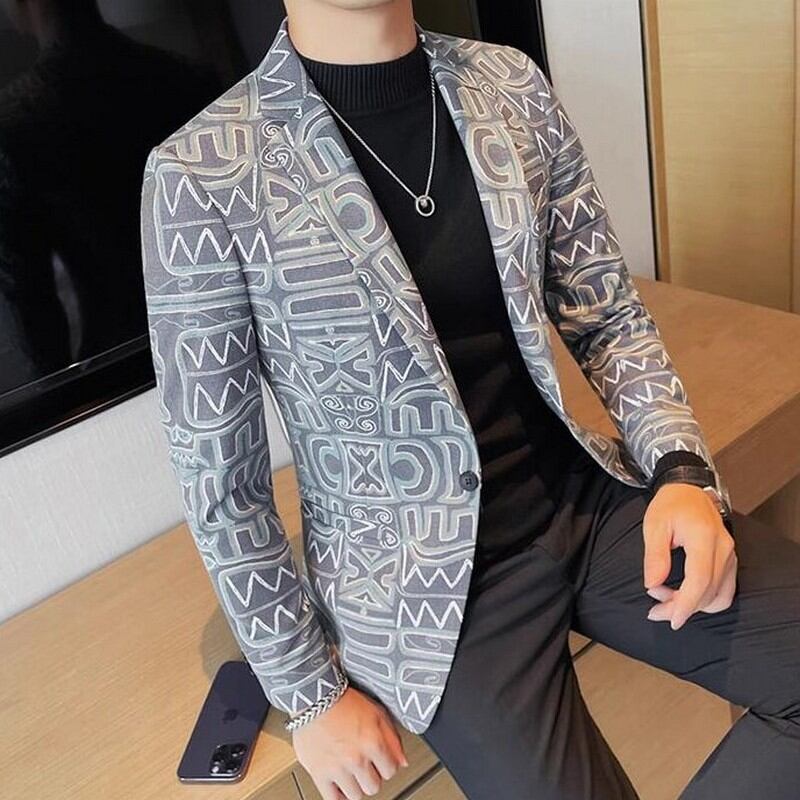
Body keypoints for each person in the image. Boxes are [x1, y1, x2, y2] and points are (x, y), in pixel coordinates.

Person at [139, 2, 800, 799]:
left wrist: (682, 470)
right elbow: (221, 480)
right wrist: (309, 692)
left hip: (582, 502)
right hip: (427, 586)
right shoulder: (201, 172)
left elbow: (607, 314)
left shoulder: (508, 83)